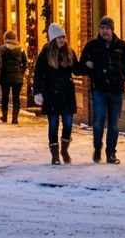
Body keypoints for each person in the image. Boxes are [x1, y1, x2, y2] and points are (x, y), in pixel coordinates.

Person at [81, 16, 125, 164]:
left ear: (112, 30)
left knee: (113, 124)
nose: (104, 31)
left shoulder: (121, 46)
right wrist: (89, 67)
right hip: (99, 89)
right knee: (98, 121)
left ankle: (111, 153)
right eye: (102, 28)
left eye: (107, 28)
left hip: (116, 91)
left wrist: (122, 78)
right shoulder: (92, 46)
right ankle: (97, 147)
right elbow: (81, 65)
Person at [33, 23, 83, 164]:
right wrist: (37, 92)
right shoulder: (45, 54)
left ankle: (64, 150)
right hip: (51, 94)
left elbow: (77, 70)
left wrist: (87, 65)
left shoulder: (69, 52)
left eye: (63, 37)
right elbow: (38, 74)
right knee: (53, 125)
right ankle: (55, 155)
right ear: (53, 39)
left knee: (68, 124)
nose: (61, 40)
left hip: (67, 94)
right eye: (58, 38)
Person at [0, 31, 27, 124]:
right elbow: (24, 63)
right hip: (17, 77)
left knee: (5, 97)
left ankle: (4, 116)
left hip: (5, 76)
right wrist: (21, 72)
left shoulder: (1, 49)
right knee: (16, 98)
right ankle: (15, 118)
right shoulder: (20, 50)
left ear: (5, 38)